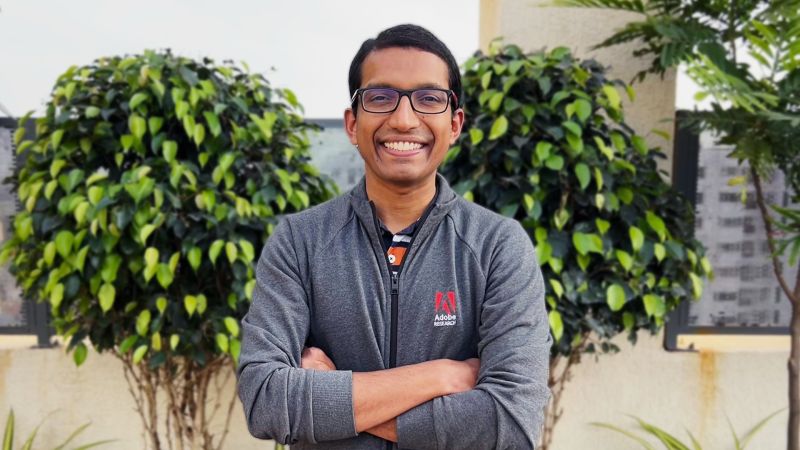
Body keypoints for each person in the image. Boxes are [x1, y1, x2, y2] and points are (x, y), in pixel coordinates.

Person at [237, 24, 552, 449]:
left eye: (429, 99)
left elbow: (511, 423)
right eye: (381, 98)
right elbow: (266, 401)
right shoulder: (300, 242)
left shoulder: (497, 246)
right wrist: (440, 376)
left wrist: (335, 399)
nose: (404, 120)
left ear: (455, 124)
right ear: (353, 123)